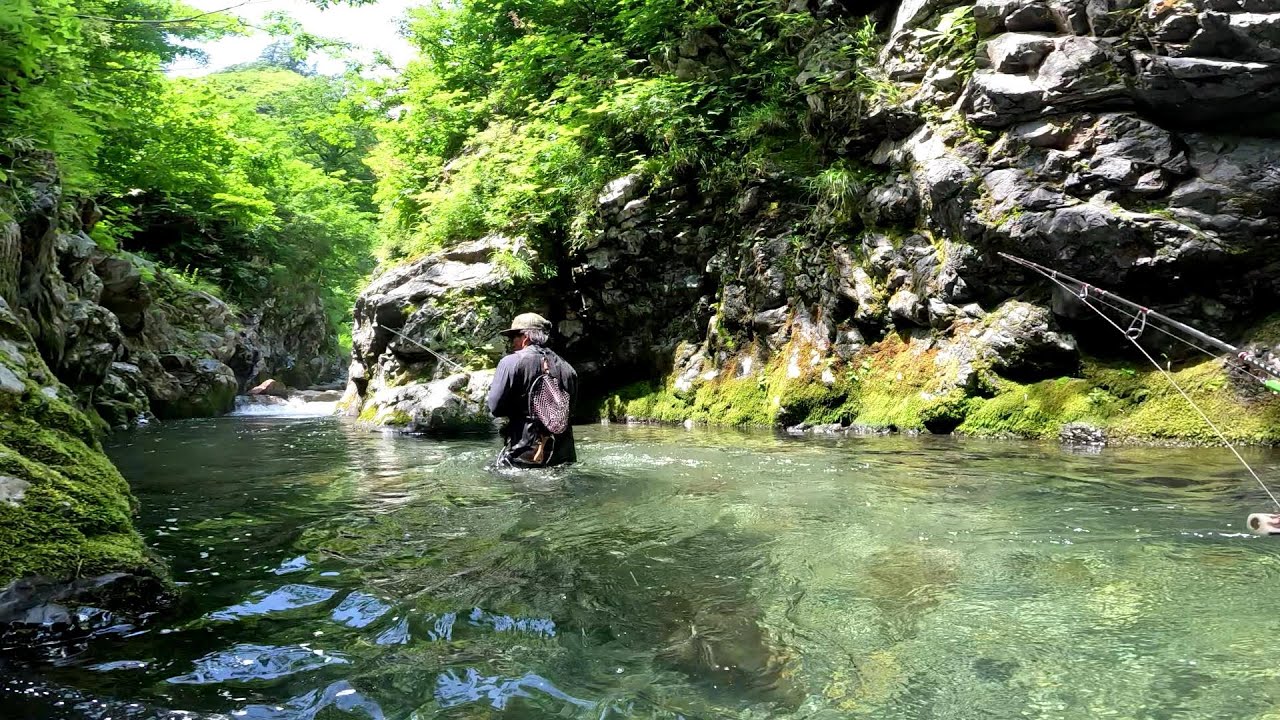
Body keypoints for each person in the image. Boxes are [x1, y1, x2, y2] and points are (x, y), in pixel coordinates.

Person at [487, 312, 579, 468]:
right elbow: (571, 411)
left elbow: (495, 408)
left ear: (525, 337)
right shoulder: (568, 369)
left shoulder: (510, 362)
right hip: (563, 457)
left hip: (525, 457)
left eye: (513, 337)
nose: (511, 343)